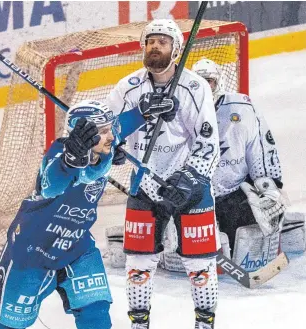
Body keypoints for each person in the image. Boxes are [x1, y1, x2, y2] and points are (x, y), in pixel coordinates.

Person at [0, 99, 177, 329]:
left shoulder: (103, 141)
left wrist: (142, 111)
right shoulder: (58, 153)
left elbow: (121, 126)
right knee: (7, 324)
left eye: (109, 129)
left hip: (77, 244)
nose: (111, 135)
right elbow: (51, 186)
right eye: (104, 131)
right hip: (32, 248)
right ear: (86, 136)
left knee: (96, 314)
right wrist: (69, 163)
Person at [106, 19, 220, 329]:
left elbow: (209, 145)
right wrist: (114, 148)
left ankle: (204, 324)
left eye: (162, 42)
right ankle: (139, 324)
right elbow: (108, 134)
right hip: (144, 185)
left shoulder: (195, 87)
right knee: (138, 265)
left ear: (176, 49)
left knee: (199, 266)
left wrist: (191, 179)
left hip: (189, 186)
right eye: (150, 41)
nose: (155, 46)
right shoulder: (127, 88)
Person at [192, 58, 287, 263]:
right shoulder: (181, 110)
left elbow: (260, 147)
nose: (206, 88)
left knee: (246, 231)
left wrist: (269, 185)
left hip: (232, 195)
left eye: (210, 81)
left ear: (219, 83)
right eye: (200, 83)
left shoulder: (242, 107)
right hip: (195, 197)